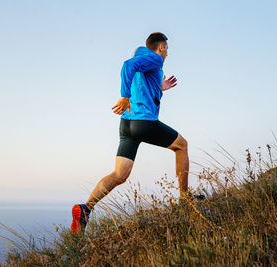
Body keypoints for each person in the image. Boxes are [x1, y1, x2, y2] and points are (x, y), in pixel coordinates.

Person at [71, 32, 189, 234]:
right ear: (161, 47)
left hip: (127, 125)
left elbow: (142, 83)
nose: (168, 52)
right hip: (143, 122)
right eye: (167, 48)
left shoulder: (143, 61)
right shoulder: (155, 58)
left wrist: (161, 87)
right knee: (182, 146)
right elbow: (127, 66)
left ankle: (85, 209)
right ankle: (185, 199)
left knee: (120, 174)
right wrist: (124, 96)